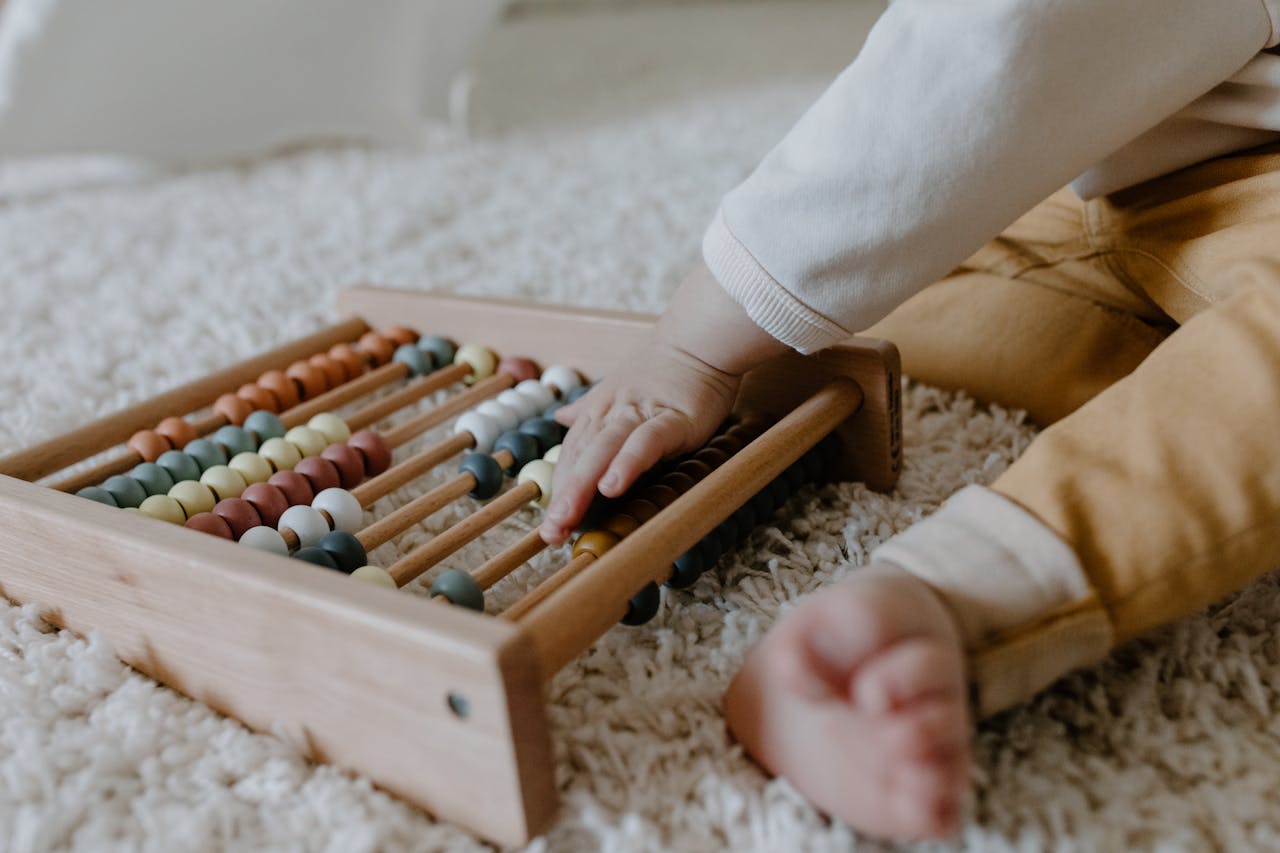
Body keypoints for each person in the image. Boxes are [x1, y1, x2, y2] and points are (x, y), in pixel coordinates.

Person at [538, 0, 1280, 840]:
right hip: (1115, 145)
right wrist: (724, 325)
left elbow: (1005, 38)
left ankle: (959, 585)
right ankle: (1209, 394)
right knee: (874, 282)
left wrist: (693, 344)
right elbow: (938, 111)